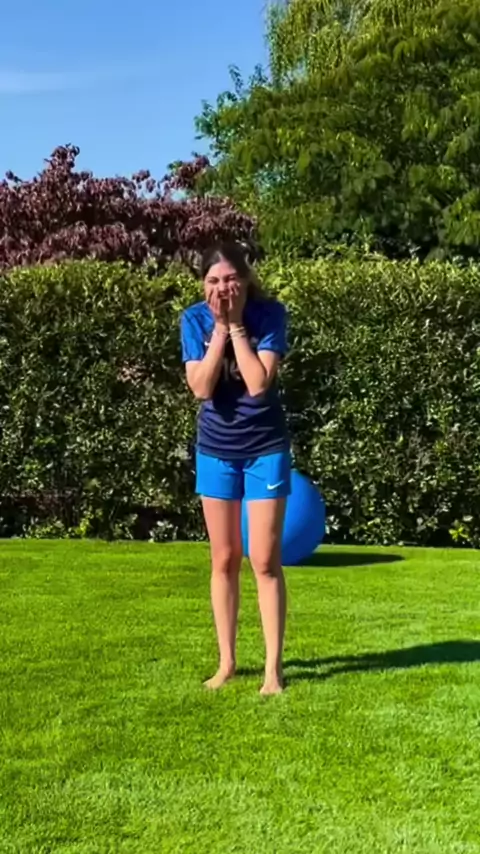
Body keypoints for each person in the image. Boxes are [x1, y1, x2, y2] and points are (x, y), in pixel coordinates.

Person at [180, 242, 290, 695]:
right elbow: (202, 388)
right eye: (212, 281)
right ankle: (226, 663)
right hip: (216, 449)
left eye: (229, 279)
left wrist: (237, 327)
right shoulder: (194, 320)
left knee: (263, 560)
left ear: (244, 280)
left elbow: (258, 383)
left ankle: (272, 671)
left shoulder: (270, 314)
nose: (222, 288)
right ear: (203, 285)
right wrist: (219, 331)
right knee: (223, 559)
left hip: (265, 448)